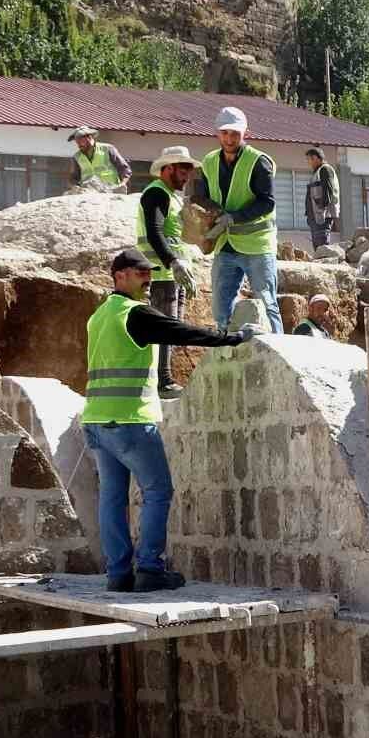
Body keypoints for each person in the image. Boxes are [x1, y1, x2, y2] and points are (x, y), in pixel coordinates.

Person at [80, 248, 258, 593]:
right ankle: (149, 568)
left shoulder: (99, 315)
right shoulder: (134, 314)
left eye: (149, 272)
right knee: (157, 490)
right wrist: (234, 338)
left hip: (97, 422)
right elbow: (182, 332)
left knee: (112, 498)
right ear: (120, 276)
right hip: (130, 420)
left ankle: (118, 574)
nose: (148, 279)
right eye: (139, 273)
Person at [193, 106, 282, 334]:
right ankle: (225, 347)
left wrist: (234, 218)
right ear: (217, 133)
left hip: (256, 245)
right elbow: (200, 197)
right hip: (225, 244)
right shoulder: (209, 162)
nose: (229, 138)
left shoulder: (258, 161)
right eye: (225, 133)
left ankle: (279, 347)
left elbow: (267, 202)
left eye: (235, 133)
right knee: (220, 307)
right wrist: (208, 218)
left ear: (246, 134)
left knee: (267, 302)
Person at [137, 146, 202, 398]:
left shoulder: (172, 196)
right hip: (162, 274)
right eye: (183, 171)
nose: (186, 177)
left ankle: (163, 379)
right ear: (168, 168)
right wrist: (173, 262)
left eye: (189, 172)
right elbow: (155, 233)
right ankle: (162, 381)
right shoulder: (156, 193)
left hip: (175, 275)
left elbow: (175, 234)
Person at [68, 127, 130, 192]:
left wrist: (123, 184)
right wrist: (74, 186)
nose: (79, 145)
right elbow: (74, 177)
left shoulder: (108, 149)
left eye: (81, 141)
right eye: (77, 142)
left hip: (110, 189)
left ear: (90, 138)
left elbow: (124, 169)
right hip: (88, 192)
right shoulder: (76, 157)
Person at [304, 146, 340, 251]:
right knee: (317, 244)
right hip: (315, 215)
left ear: (315, 158)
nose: (309, 162)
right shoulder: (317, 172)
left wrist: (321, 213)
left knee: (322, 243)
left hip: (321, 216)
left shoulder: (325, 169)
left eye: (309, 159)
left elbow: (328, 192)